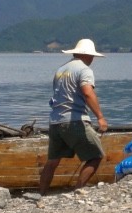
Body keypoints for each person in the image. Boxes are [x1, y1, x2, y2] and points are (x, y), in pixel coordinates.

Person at [39, 38, 109, 194]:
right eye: (92, 56)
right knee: (95, 156)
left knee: (52, 161)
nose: (92, 60)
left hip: (56, 121)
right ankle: (78, 191)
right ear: (86, 55)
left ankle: (41, 193)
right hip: (74, 120)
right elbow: (87, 92)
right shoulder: (84, 70)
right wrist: (100, 117)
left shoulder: (61, 70)